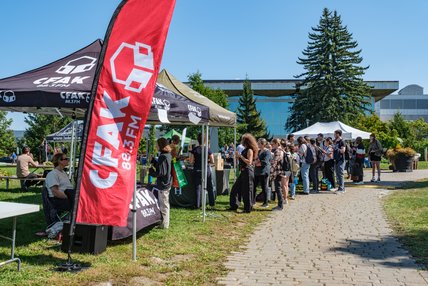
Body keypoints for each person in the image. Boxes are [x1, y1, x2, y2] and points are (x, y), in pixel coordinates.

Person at [229, 133, 258, 213]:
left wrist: (240, 156)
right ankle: (234, 205)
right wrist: (238, 157)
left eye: (242, 139)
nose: (241, 141)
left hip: (248, 171)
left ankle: (247, 208)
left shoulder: (249, 150)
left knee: (247, 190)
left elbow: (249, 162)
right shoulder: (245, 150)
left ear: (246, 141)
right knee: (235, 188)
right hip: (243, 171)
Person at [149, 138, 172, 229]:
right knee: (165, 203)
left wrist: (151, 171)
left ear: (161, 145)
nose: (156, 146)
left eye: (157, 145)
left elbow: (161, 172)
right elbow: (161, 168)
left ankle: (165, 224)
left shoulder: (163, 156)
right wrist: (154, 161)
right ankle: (164, 222)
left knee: (164, 204)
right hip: (166, 182)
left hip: (163, 184)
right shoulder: (167, 155)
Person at [190, 133, 215, 209]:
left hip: (197, 170)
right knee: (209, 188)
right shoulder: (208, 149)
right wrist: (207, 161)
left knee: (198, 188)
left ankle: (197, 205)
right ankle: (212, 205)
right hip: (206, 170)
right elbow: (213, 161)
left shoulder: (194, 150)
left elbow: (191, 161)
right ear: (205, 140)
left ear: (198, 140)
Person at [254, 138, 272, 207]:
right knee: (254, 186)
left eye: (258, 143)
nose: (257, 144)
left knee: (264, 187)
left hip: (263, 172)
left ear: (263, 144)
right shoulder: (259, 151)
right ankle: (253, 200)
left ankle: (266, 202)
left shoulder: (267, 152)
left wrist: (258, 163)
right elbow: (255, 160)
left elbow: (265, 162)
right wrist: (257, 162)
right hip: (257, 171)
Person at [269, 138, 285, 210]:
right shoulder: (281, 150)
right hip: (280, 171)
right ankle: (280, 204)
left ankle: (280, 205)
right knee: (278, 188)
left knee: (278, 188)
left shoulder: (277, 151)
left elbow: (275, 162)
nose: (271, 146)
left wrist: (271, 171)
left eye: (272, 144)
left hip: (277, 171)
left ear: (276, 144)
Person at [333, 130, 346, 194]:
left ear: (338, 134)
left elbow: (343, 150)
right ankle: (340, 187)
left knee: (340, 174)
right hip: (336, 159)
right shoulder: (336, 141)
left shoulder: (342, 141)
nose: (334, 135)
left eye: (335, 134)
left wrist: (336, 149)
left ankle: (342, 189)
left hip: (341, 160)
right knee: (337, 174)